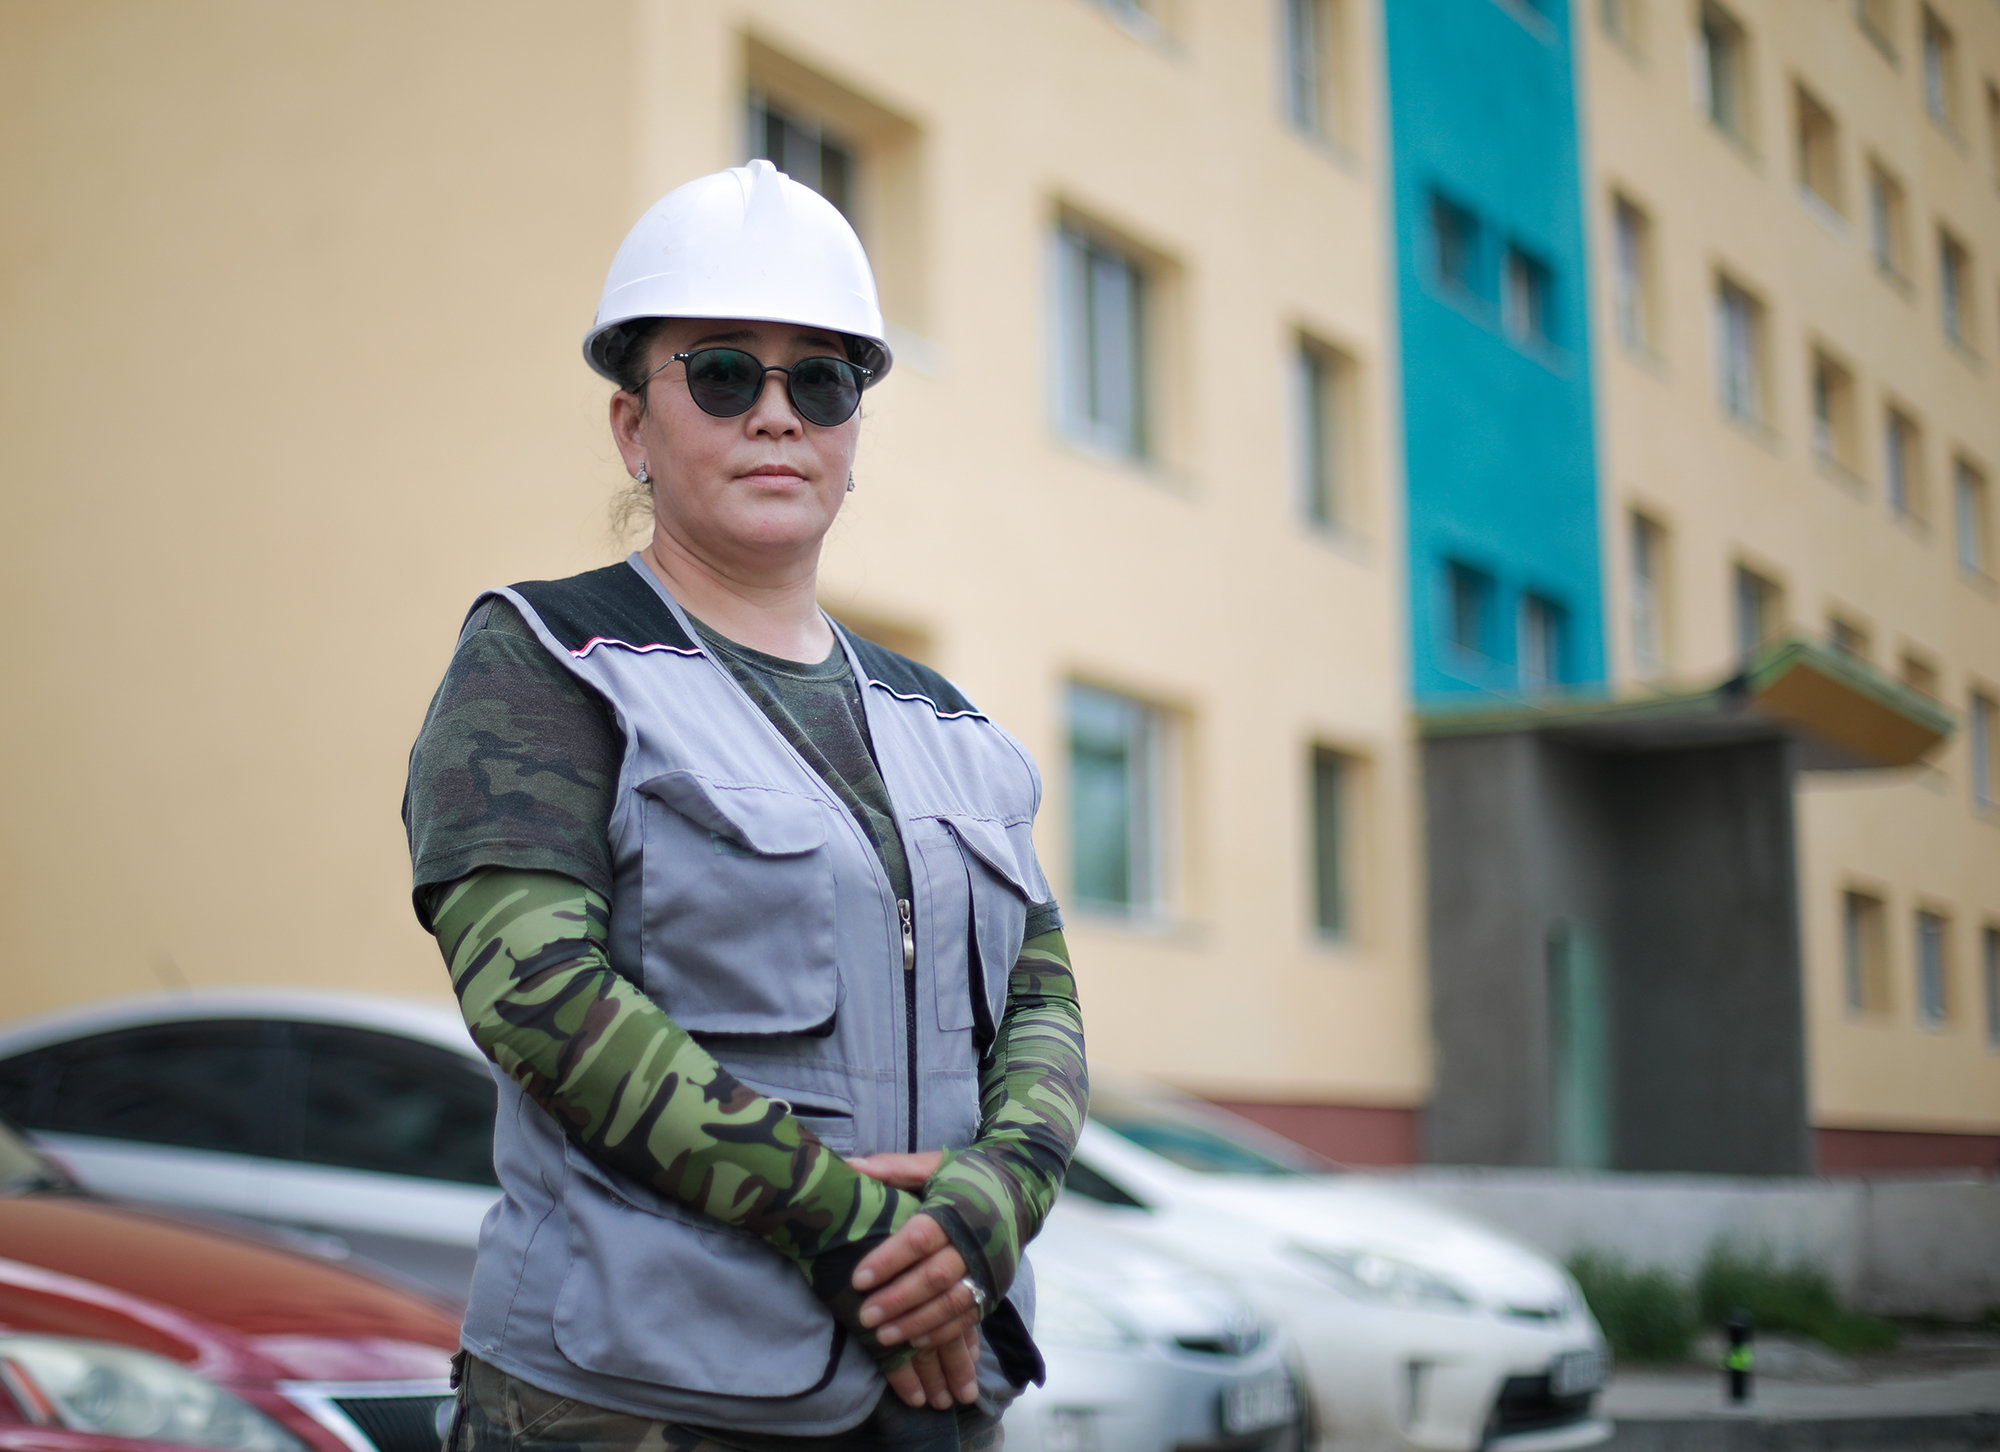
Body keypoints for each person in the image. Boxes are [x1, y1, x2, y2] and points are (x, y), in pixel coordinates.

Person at [403, 159, 1088, 1452]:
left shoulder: (950, 725)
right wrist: (861, 1235)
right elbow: (541, 1001)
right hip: (629, 1401)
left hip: (935, 1394)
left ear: (852, 431)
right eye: (724, 375)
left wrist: (993, 1207)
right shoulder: (546, 661)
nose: (777, 415)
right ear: (632, 428)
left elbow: (1044, 1004)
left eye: (819, 382)